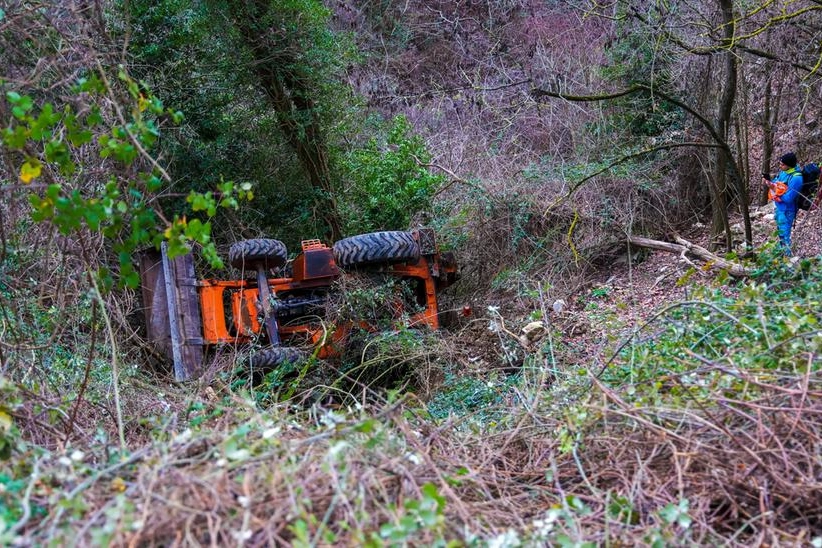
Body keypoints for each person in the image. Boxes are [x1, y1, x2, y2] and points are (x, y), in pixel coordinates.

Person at [762, 152, 804, 255]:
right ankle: (782, 257)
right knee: (780, 234)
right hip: (779, 208)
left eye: (782, 164)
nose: (780, 166)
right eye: (780, 163)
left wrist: (774, 189)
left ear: (789, 165)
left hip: (787, 210)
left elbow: (789, 198)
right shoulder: (783, 172)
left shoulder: (796, 178)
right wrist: (769, 182)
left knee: (785, 236)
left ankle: (788, 261)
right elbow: (776, 183)